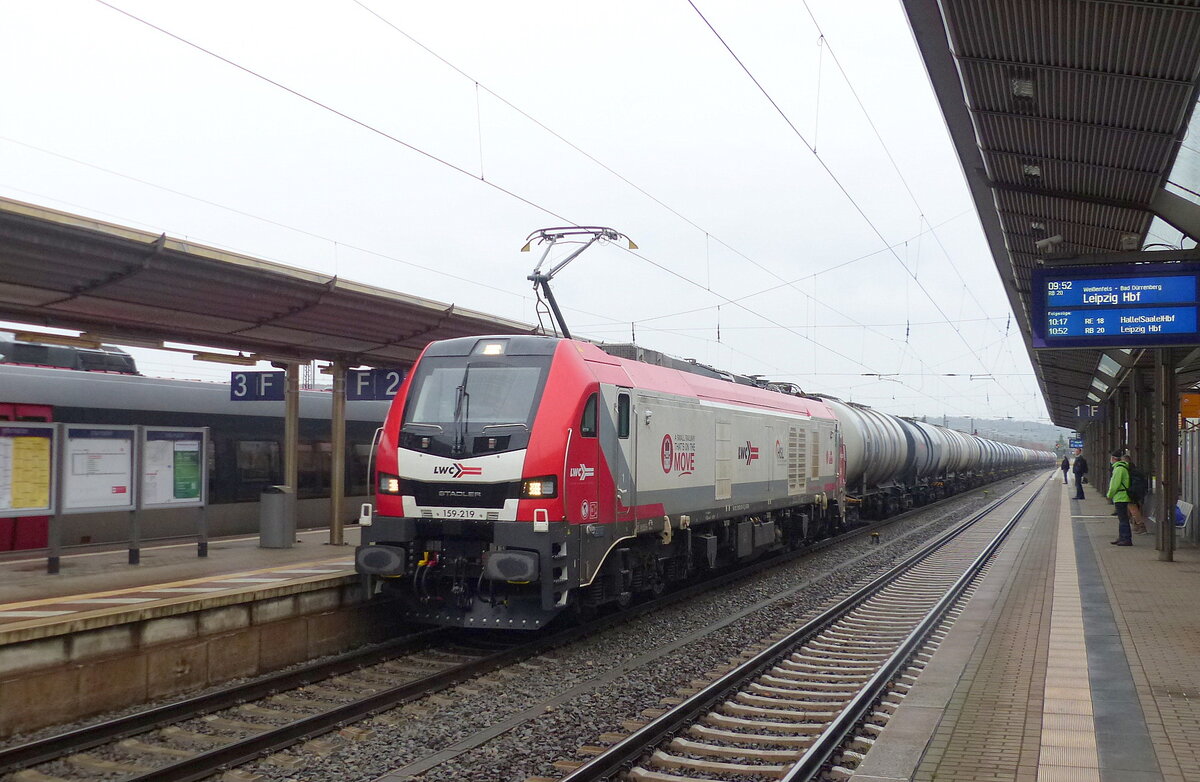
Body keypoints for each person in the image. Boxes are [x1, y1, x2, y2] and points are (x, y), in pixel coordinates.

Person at [1107, 449, 1133, 546]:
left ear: (1114, 458)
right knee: (1122, 518)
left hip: (1121, 496)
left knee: (1123, 519)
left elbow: (1114, 485)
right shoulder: (1121, 468)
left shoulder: (1119, 469)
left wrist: (1109, 495)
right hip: (1121, 496)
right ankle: (1122, 537)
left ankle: (1126, 538)